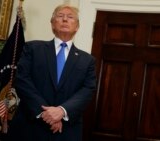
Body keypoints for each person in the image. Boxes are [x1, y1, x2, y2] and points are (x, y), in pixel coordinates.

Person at [6, 4, 96, 141]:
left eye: (70, 17)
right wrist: (45, 113)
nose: (65, 19)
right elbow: (22, 80)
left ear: (77, 26)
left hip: (66, 131)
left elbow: (87, 90)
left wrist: (62, 111)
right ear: (52, 24)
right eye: (60, 16)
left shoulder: (87, 60)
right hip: (29, 127)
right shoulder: (32, 48)